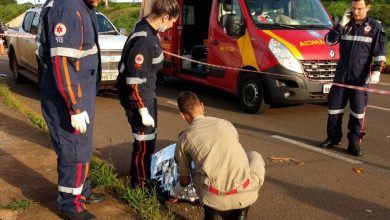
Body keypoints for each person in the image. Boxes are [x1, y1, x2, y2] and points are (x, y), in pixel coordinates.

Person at [37, 0, 105, 218]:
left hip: (79, 88)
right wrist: (75, 106)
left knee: (82, 145)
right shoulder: (66, 8)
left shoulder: (81, 5)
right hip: (68, 93)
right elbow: (62, 61)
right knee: (73, 148)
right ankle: (70, 204)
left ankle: (81, 191)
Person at [116, 0, 179, 188]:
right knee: (144, 142)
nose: (172, 26)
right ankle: (140, 184)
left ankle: (140, 175)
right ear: (165, 16)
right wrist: (142, 110)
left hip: (146, 93)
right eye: (172, 22)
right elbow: (134, 80)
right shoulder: (145, 39)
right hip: (139, 96)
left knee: (147, 139)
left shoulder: (148, 29)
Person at [174, 91, 266, 220]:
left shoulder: (184, 139)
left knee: (194, 172)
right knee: (254, 155)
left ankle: (213, 213)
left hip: (215, 199)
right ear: (202, 106)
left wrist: (176, 192)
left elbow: (184, 181)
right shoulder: (224, 123)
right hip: (246, 192)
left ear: (183, 116)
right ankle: (241, 212)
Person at [320, 0, 387, 156]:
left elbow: (380, 53)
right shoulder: (345, 24)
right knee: (334, 109)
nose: (356, 12)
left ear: (368, 7)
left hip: (360, 77)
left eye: (360, 9)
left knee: (358, 112)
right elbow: (329, 41)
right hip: (341, 75)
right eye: (353, 8)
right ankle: (333, 137)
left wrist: (376, 71)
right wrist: (341, 25)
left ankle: (354, 142)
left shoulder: (375, 27)